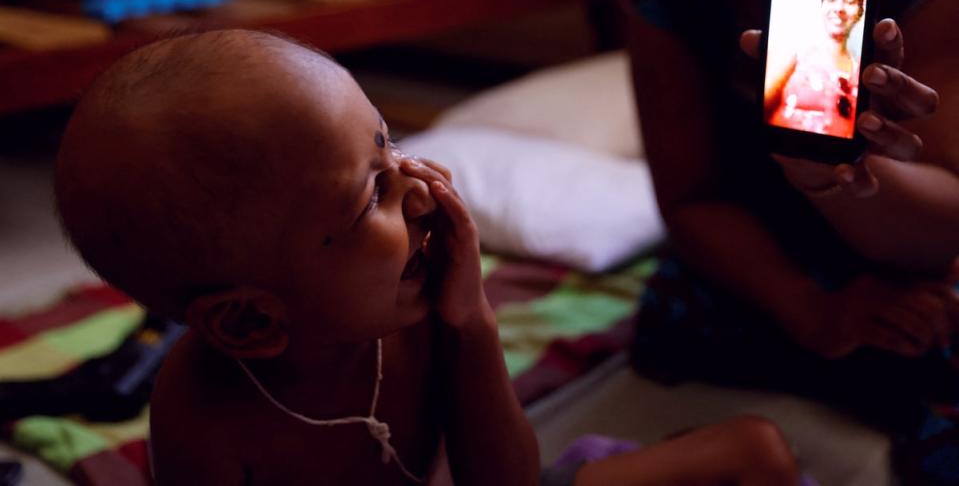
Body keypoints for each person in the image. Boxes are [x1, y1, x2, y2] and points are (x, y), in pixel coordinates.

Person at [53, 30, 804, 485]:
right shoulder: (202, 412)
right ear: (250, 320)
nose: (422, 190)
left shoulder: (421, 314)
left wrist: (472, 321)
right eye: (371, 193)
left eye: (390, 145)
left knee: (755, 451)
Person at [627, 0, 959, 482]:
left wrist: (838, 171)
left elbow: (945, 221)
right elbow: (689, 198)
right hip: (774, 224)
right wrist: (813, 312)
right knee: (667, 315)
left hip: (916, 222)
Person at [765, 0, 867, 138]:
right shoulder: (795, 50)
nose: (839, 8)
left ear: (859, 13)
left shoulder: (862, 70)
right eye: (832, 0)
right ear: (822, 6)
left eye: (850, 2)